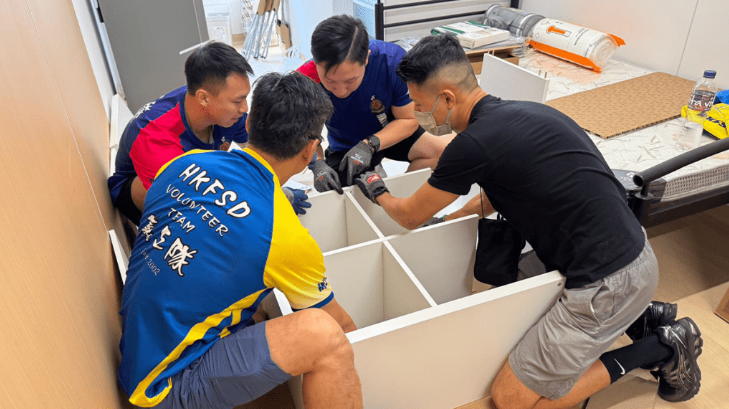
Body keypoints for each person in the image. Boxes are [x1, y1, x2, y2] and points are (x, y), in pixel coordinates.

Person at [355, 34, 703, 408]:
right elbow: (505, 189)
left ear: (448, 98)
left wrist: (375, 186)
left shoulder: (470, 145)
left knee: (511, 399)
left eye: (422, 106)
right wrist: (451, 219)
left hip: (609, 280)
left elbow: (408, 216)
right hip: (630, 250)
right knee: (513, 291)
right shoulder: (528, 114)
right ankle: (641, 317)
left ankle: (663, 347)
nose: (421, 115)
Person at [118, 72, 363, 409]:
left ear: (248, 125)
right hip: (165, 385)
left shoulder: (183, 163)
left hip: (138, 349)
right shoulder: (283, 235)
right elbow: (341, 325)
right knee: (325, 335)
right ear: (310, 151)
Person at [108, 42, 310, 226]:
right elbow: (193, 196)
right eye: (237, 101)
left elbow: (258, 150)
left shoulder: (225, 111)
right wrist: (262, 200)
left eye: (245, 98)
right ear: (203, 98)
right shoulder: (155, 135)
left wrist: (275, 186)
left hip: (197, 172)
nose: (244, 108)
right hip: (147, 191)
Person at [297, 15, 454, 193]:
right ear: (316, 63)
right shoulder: (304, 79)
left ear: (366, 58)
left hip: (392, 131)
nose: (340, 91)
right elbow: (305, 134)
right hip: (346, 144)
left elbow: (408, 119)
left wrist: (369, 145)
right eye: (330, 81)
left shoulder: (392, 62)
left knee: (445, 152)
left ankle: (401, 197)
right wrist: (317, 164)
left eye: (350, 81)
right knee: (336, 191)